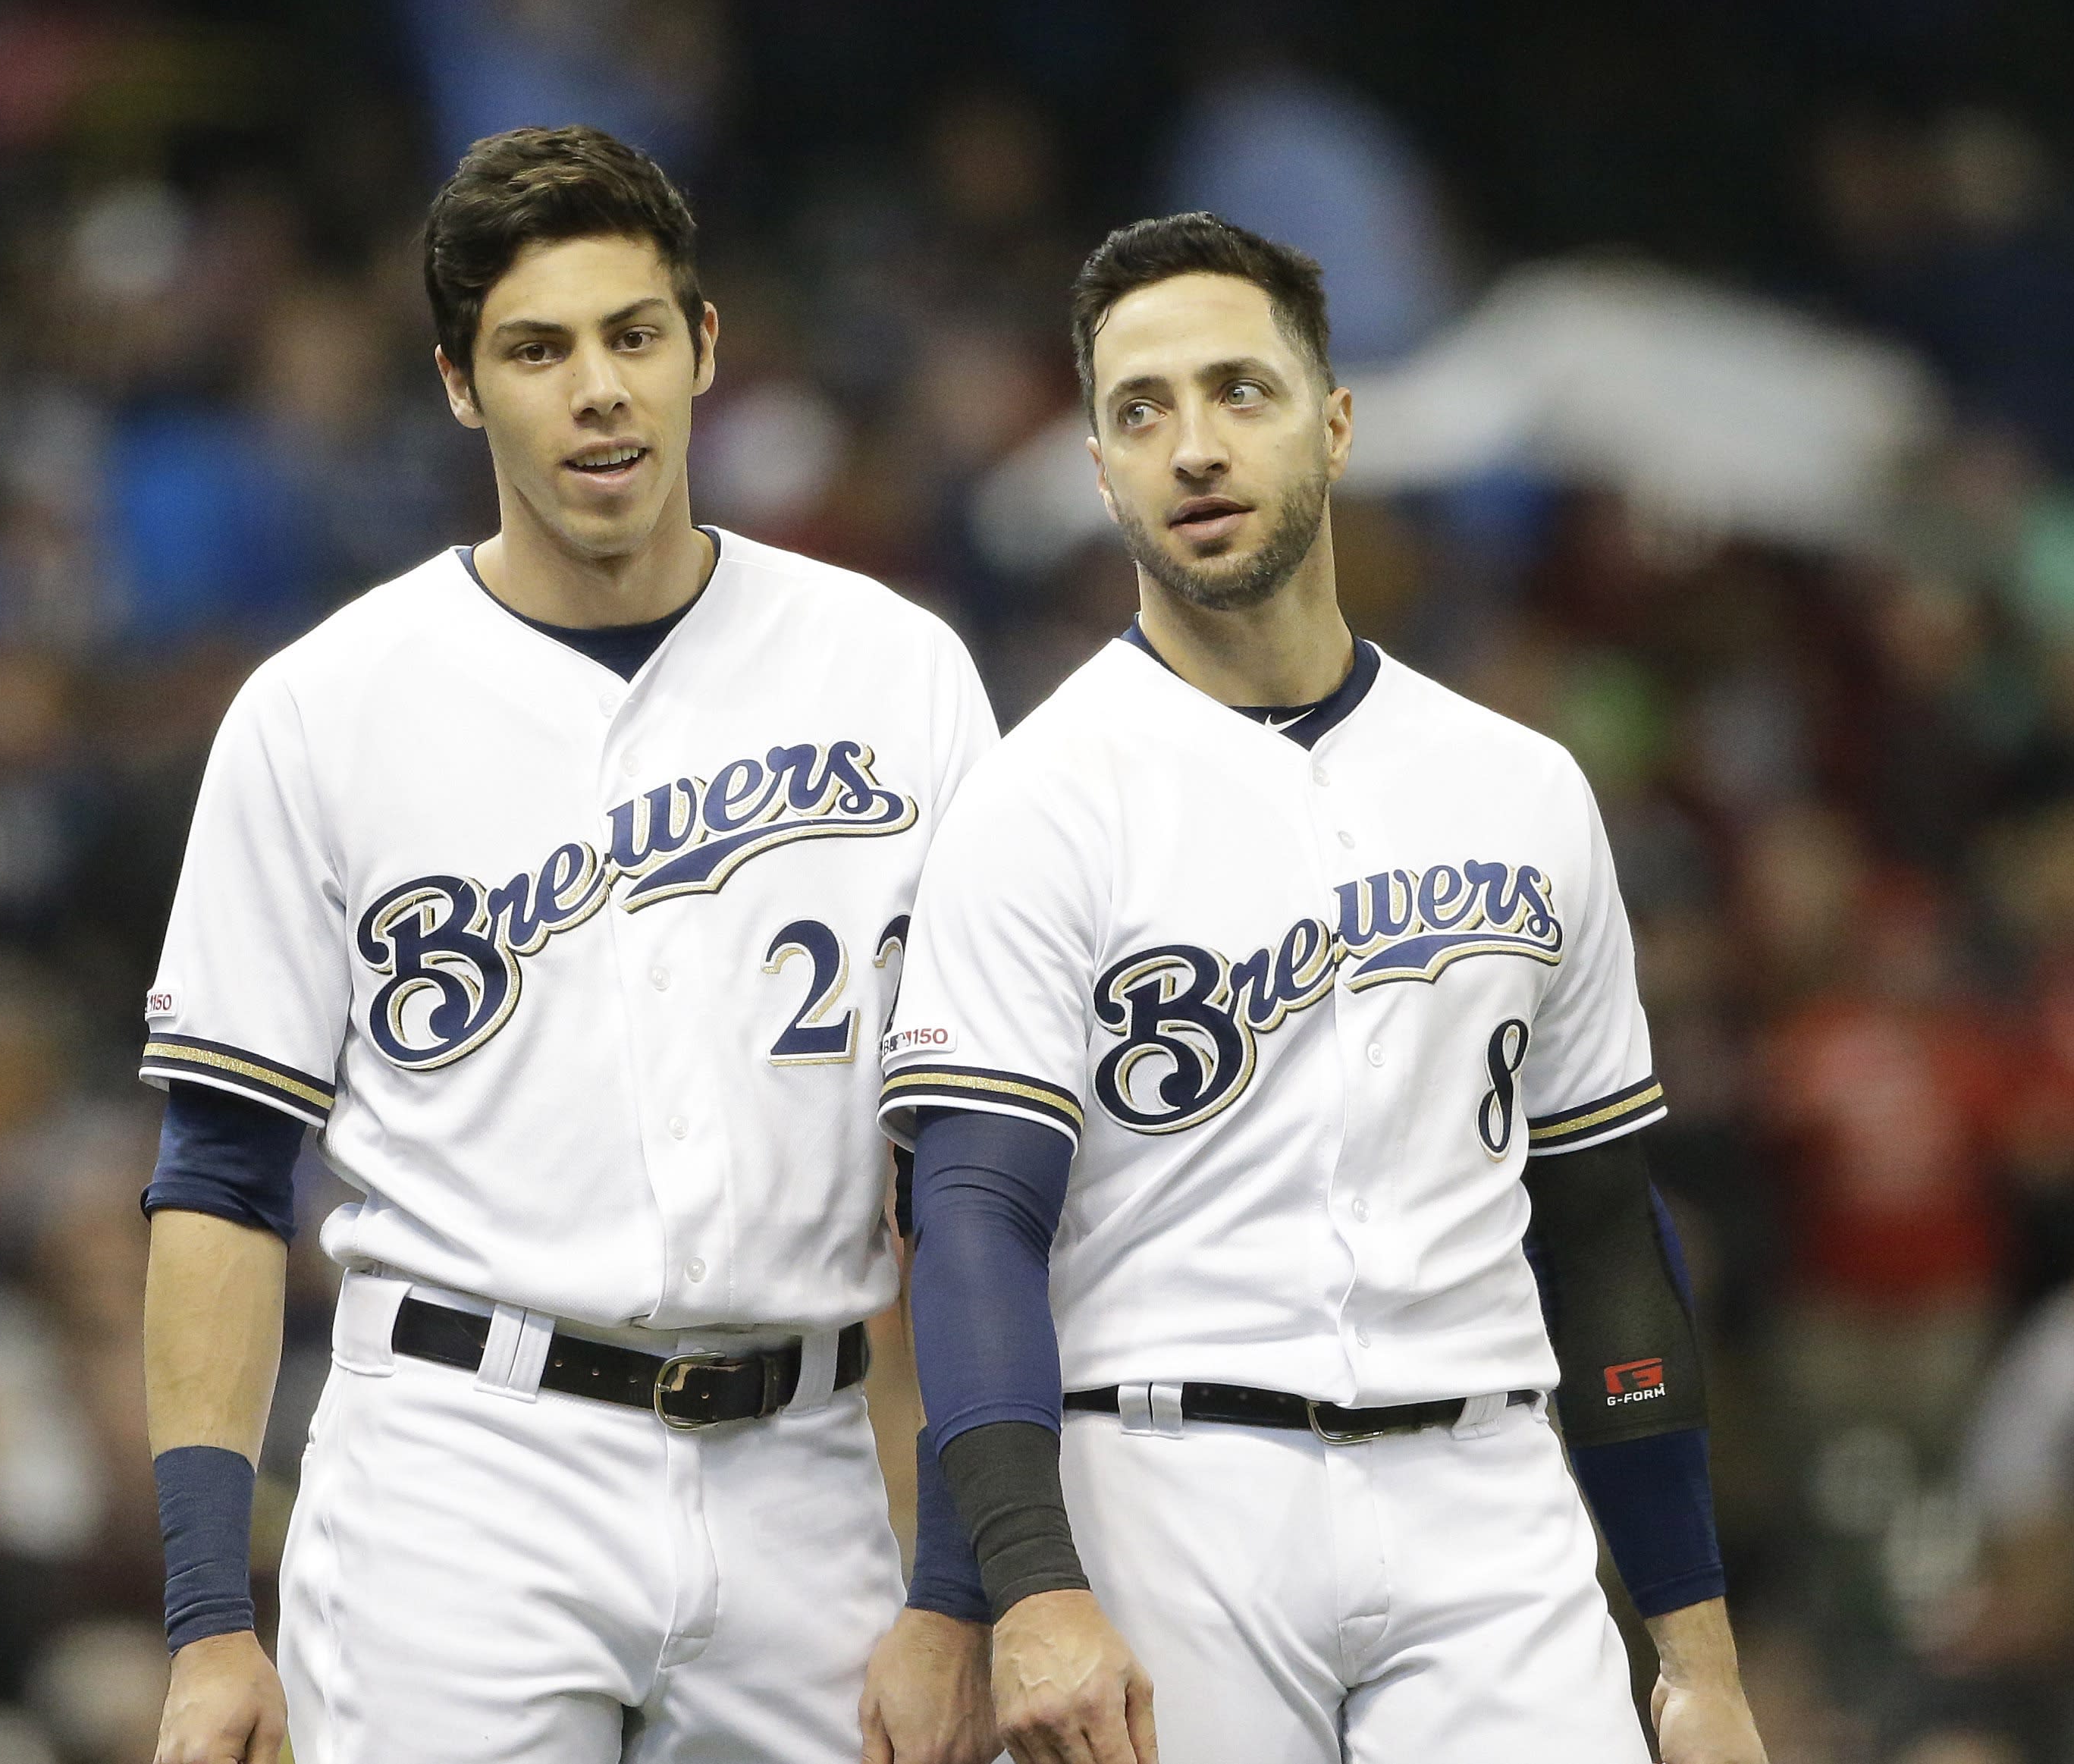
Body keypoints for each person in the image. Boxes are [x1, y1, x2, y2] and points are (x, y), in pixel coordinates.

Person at [137, 125, 999, 1764]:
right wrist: (204, 1622)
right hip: (461, 1474)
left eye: (633, 335)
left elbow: (970, 1170)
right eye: (537, 348)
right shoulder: (325, 708)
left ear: (706, 350)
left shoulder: (898, 673)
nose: (597, 388)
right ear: (460, 384)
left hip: (803, 1475)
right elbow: (220, 1171)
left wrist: (955, 1584)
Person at [881, 213, 1771, 1762]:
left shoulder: (1522, 788)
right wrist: (1023, 1584)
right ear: (1099, 469)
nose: (1194, 446)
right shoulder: (1037, 803)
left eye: (1241, 390)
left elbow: (1603, 1228)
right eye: (1141, 411)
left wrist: (1694, 1651)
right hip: (1171, 1491)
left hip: (1488, 1496)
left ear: (1338, 422)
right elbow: (974, 1226)